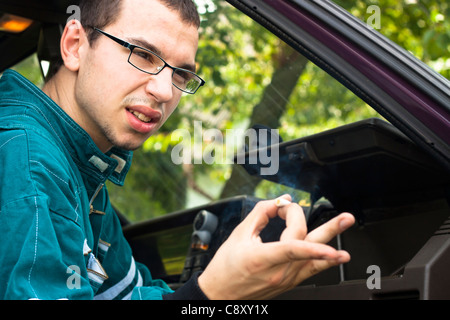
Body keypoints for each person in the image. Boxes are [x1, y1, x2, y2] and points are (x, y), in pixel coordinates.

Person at [0, 0, 355, 300]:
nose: (166, 91)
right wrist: (213, 293)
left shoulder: (82, 165)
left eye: (181, 75)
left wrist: (236, 284)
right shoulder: (29, 162)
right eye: (143, 54)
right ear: (75, 45)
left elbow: (128, 293)